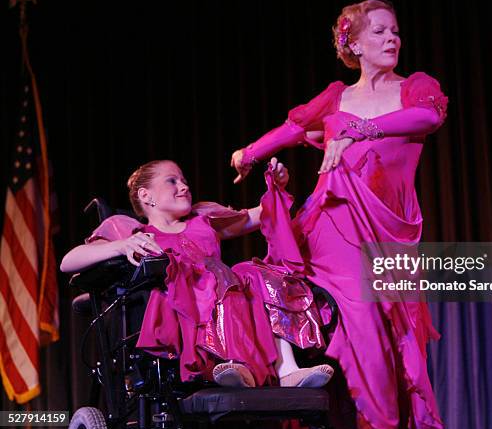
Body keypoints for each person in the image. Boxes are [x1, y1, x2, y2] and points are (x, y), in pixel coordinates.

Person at [230, 0, 447, 429]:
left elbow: (428, 118)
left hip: (388, 234)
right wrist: (248, 154)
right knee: (363, 330)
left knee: (394, 345)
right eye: (380, 32)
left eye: (395, 31)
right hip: (332, 225)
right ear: (356, 44)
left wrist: (359, 129)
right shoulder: (337, 96)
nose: (392, 39)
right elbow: (294, 130)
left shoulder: (415, 88)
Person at [60, 159, 334, 388]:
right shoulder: (130, 229)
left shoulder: (203, 220)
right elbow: (68, 262)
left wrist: (279, 185)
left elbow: (264, 215)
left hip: (224, 299)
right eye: (172, 181)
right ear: (146, 196)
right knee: (215, 273)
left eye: (184, 180)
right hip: (181, 313)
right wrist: (121, 246)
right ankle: (231, 364)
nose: (184, 186)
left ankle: (286, 368)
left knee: (252, 272)